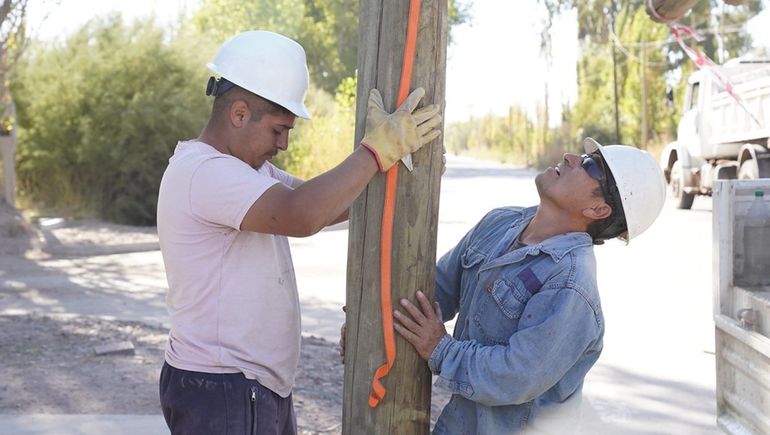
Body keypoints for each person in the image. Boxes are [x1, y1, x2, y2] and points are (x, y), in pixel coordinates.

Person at [156, 30, 441, 435]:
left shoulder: (246, 171)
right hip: (223, 388)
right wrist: (373, 151)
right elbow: (302, 215)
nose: (284, 143)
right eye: (278, 129)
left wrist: (403, 167)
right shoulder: (205, 172)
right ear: (239, 113)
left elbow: (328, 205)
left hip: (246, 387)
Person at [341, 137, 666, 434]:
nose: (570, 158)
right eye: (583, 156)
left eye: (589, 165)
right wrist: (371, 321)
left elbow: (515, 376)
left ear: (598, 209)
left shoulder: (571, 285)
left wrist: (441, 349)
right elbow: (433, 290)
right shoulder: (500, 223)